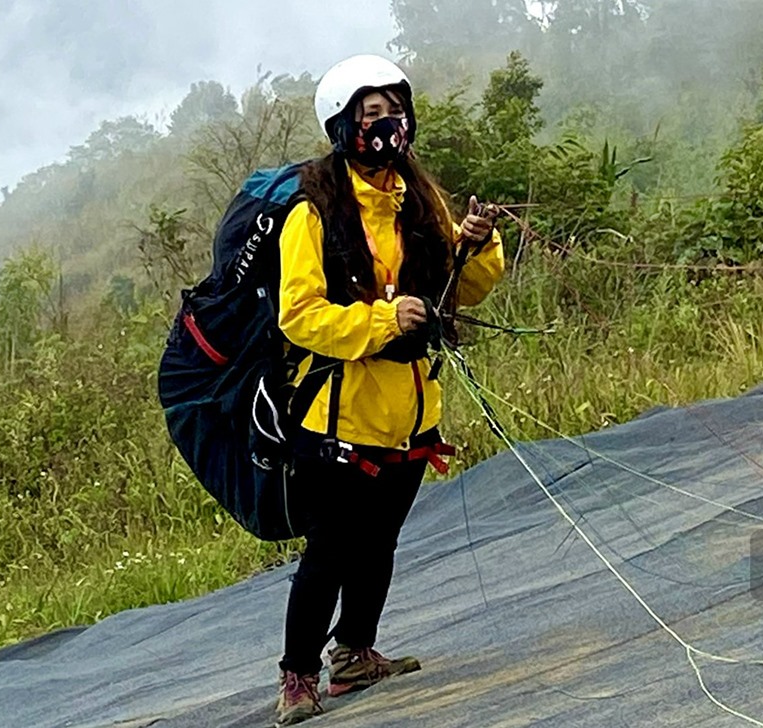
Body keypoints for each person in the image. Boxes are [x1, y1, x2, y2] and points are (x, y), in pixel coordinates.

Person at [273, 54, 504, 725]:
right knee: (332, 548)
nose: (386, 124)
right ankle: (297, 677)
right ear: (342, 125)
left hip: (410, 408)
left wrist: (475, 247)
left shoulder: (418, 198)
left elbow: (453, 292)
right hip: (338, 413)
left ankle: (355, 653)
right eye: (370, 113)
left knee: (379, 541)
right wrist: (380, 319)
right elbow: (299, 314)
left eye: (392, 110)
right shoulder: (312, 211)